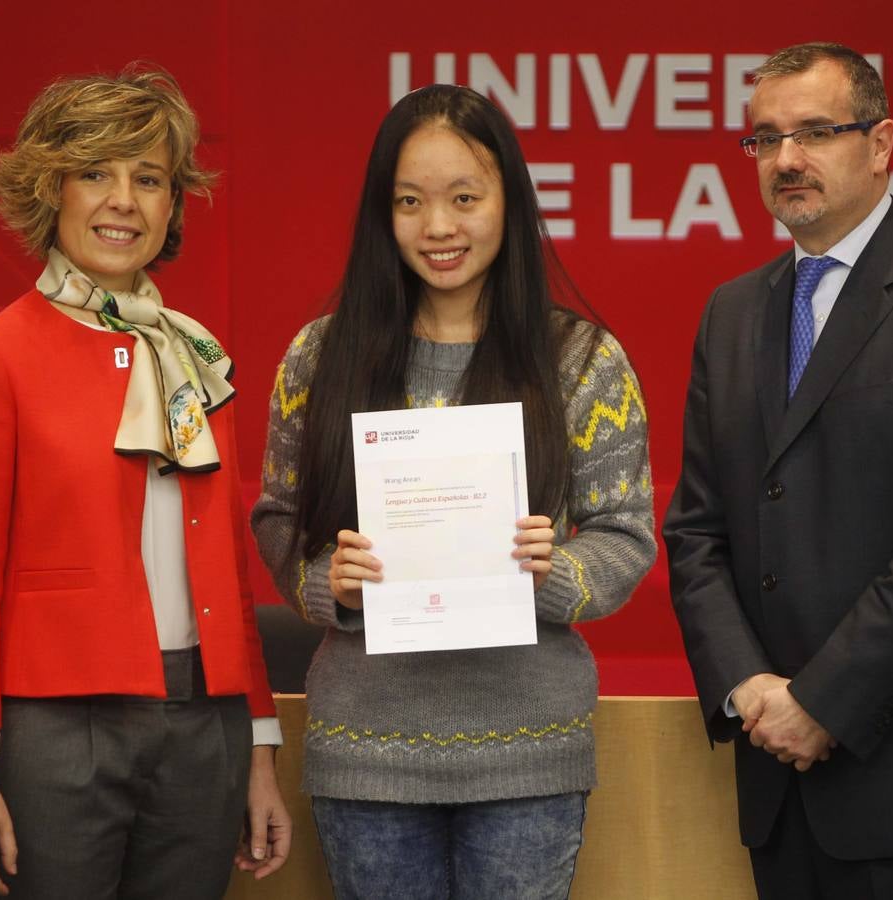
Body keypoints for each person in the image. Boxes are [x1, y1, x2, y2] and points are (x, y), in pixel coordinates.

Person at [251, 83, 654, 899]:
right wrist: (332, 582)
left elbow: (626, 534)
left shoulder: (581, 358)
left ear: (509, 201)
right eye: (410, 202)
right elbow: (278, 521)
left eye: (464, 198)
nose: (438, 227)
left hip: (527, 748)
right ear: (382, 213)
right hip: (367, 748)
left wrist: (558, 572)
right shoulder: (319, 356)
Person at [663, 42, 893, 899]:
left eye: (815, 132)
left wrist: (822, 703)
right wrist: (749, 687)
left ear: (881, 142)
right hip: (774, 775)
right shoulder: (731, 311)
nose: (786, 159)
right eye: (764, 139)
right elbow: (695, 528)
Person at [0, 64, 291, 898]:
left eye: (149, 178)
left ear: (172, 205)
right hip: (56, 729)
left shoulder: (197, 356)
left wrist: (258, 747)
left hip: (205, 727)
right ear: (51, 190)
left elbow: (229, 578)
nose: (124, 199)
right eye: (96, 172)